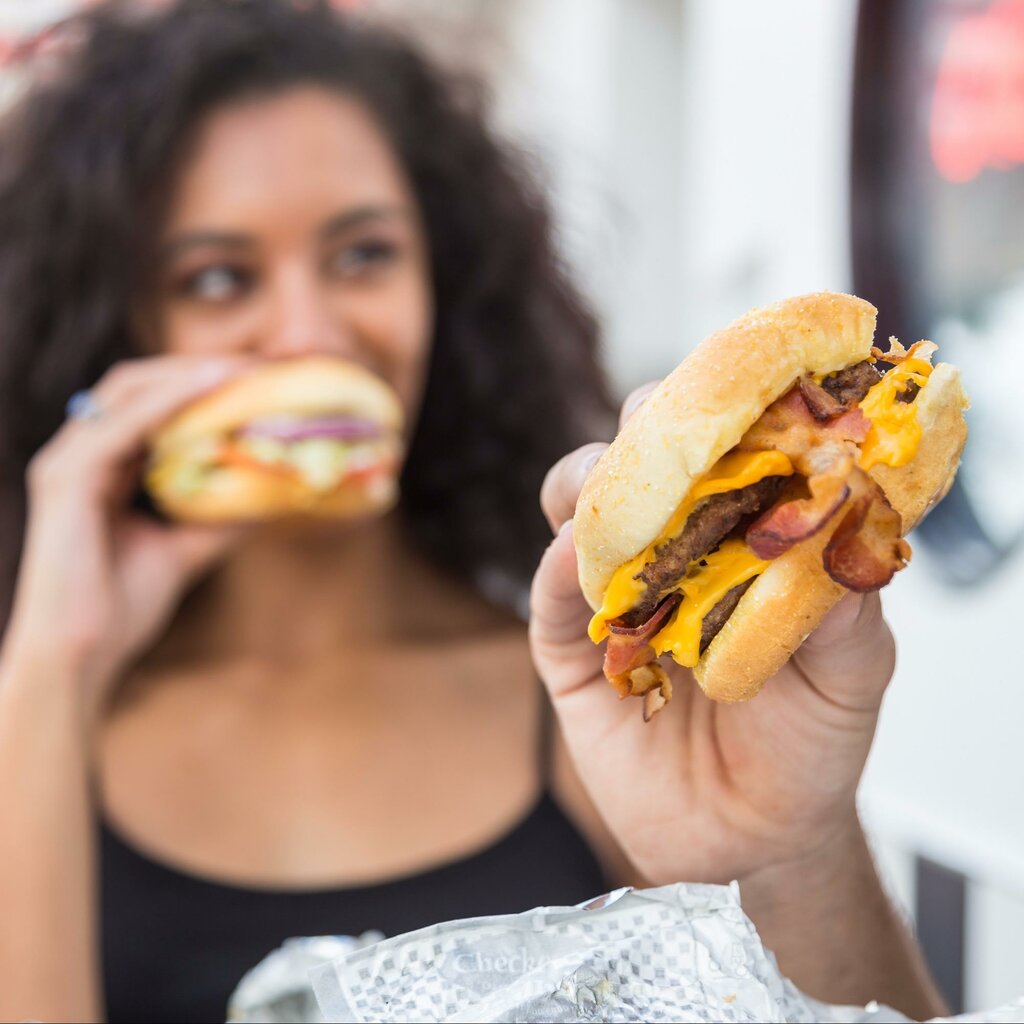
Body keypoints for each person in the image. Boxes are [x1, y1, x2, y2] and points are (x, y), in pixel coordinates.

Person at [0, 2, 621, 1020]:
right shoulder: (42, 711)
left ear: (445, 285)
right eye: (218, 277)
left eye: (363, 254)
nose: (308, 331)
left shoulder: (585, 690)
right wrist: (50, 664)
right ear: (127, 330)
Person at [530, 407, 950, 1021]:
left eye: (361, 298)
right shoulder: (564, 683)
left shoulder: (573, 660)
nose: (330, 329)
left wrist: (784, 858)